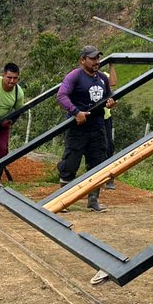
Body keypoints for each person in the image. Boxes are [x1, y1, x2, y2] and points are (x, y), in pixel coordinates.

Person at [56, 46, 115, 212]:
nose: (97, 62)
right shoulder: (75, 76)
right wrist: (76, 112)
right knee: (70, 162)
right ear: (83, 60)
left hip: (97, 127)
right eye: (93, 59)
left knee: (97, 163)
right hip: (77, 128)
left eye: (98, 58)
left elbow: (108, 96)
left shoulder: (102, 78)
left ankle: (93, 200)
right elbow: (61, 95)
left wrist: (110, 102)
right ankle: (62, 201)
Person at [103, 63, 118, 190]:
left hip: (105, 118)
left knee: (108, 147)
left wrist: (111, 65)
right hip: (90, 118)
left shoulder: (102, 75)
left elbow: (112, 82)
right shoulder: (81, 76)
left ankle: (109, 178)